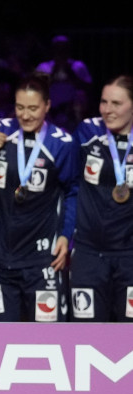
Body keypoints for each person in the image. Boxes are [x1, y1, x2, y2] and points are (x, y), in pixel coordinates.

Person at [0, 73, 77, 322]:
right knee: (0, 339)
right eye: (20, 107)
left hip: (42, 259)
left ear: (47, 106)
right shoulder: (0, 132)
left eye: (33, 108)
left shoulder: (61, 144)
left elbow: (73, 193)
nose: (25, 115)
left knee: (48, 339)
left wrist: (66, 236)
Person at [70, 76, 133, 321]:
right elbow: (68, 183)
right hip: (88, 255)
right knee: (86, 334)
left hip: (130, 256)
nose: (108, 110)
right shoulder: (87, 132)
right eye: (104, 102)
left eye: (116, 103)